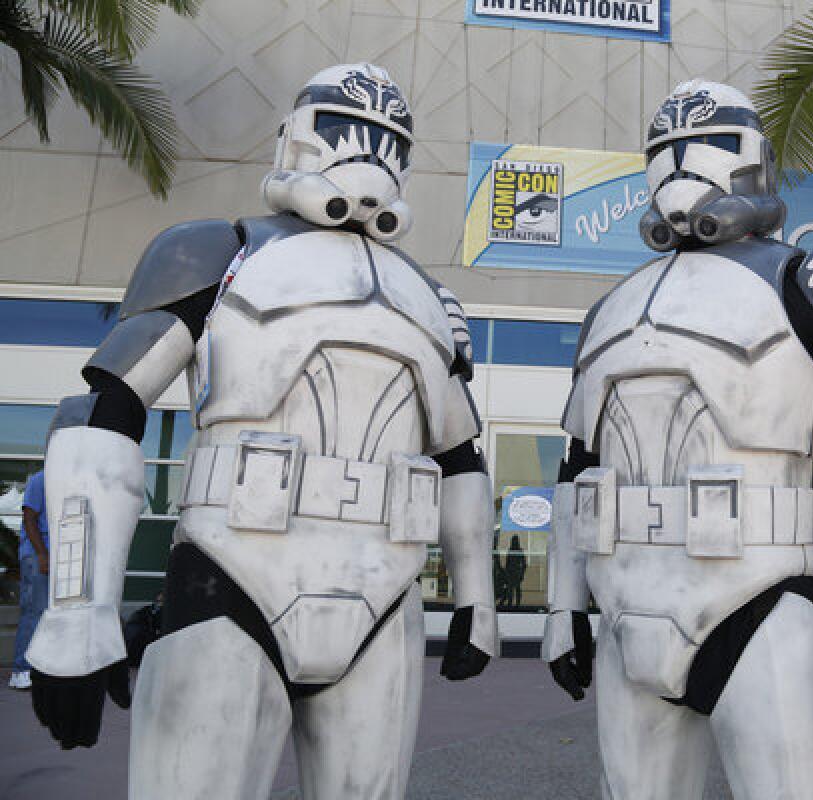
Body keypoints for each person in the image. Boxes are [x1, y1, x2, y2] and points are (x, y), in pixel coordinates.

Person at [24, 63, 498, 799]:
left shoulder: (431, 299)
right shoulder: (218, 249)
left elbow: (459, 455)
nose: (366, 154)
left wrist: (478, 600)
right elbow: (105, 411)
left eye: (385, 141)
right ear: (300, 138)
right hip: (230, 578)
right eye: (345, 132)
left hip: (387, 594)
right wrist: (77, 616)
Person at [541, 80, 813, 799]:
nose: (679, 167)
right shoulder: (610, 309)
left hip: (759, 605)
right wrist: (563, 607)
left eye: (704, 146)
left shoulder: (807, 278)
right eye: (664, 152)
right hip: (625, 612)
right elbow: (578, 471)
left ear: (751, 155)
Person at [8, 470, 48, 690]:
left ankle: (41, 669)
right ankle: (21, 671)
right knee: (34, 612)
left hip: (60, 558)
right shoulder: (39, 479)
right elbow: (30, 518)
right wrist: (42, 554)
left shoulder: (70, 478)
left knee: (49, 615)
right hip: (37, 555)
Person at [504, 534, 527, 608]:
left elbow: (524, 564)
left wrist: (522, 573)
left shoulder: (519, 551)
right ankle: (510, 604)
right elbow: (507, 563)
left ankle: (517, 604)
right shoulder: (510, 550)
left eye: (515, 541)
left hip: (517, 573)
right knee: (511, 589)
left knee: (516, 589)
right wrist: (507, 573)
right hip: (512, 573)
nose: (514, 542)